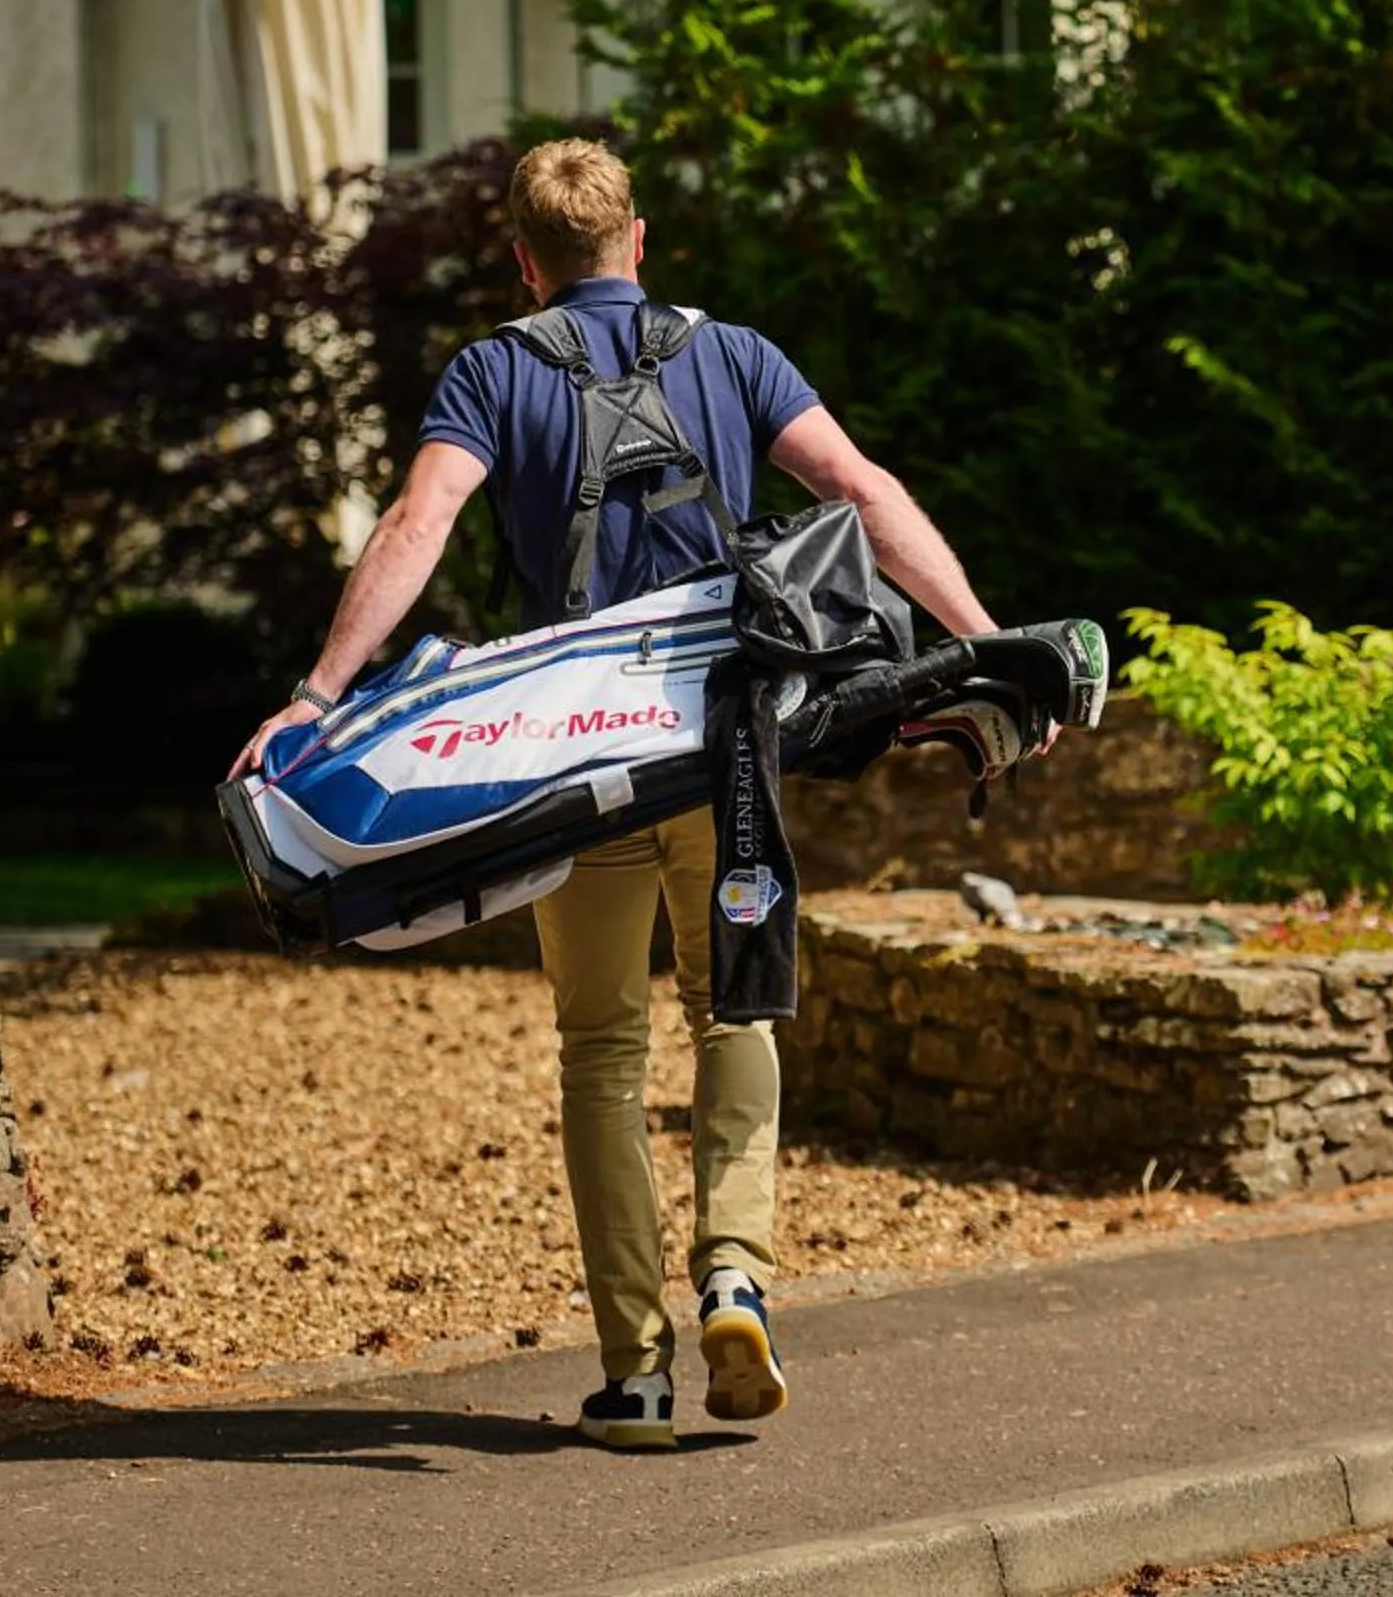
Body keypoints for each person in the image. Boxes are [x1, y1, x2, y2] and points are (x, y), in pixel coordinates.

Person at [228, 138, 1008, 1450]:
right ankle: (737, 1276)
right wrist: (981, 643)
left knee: (601, 1048)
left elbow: (416, 527)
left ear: (526, 261)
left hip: (571, 756)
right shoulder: (733, 354)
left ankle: (635, 1375)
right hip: (726, 742)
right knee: (733, 1008)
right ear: (638, 242)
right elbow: (863, 494)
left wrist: (316, 694)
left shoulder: (492, 370)